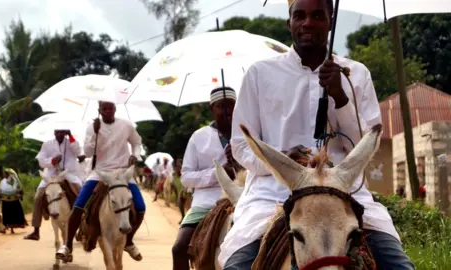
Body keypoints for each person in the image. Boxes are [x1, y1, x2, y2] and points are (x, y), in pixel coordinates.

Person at [218, 1, 415, 269]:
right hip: (272, 196)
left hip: (345, 196)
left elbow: (367, 143)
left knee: (399, 265)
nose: (307, 23)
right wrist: (282, 159)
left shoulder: (356, 74)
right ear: (289, 23)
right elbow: (241, 146)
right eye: (299, 15)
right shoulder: (259, 74)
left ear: (330, 21)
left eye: (317, 15)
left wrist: (340, 96)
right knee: (238, 265)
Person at [56, 101, 146, 262]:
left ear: (114, 109)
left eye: (110, 108)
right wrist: (95, 134)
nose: (107, 111)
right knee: (78, 205)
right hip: (100, 173)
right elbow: (89, 152)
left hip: (123, 173)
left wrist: (135, 155)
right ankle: (67, 245)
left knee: (140, 207)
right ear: (100, 111)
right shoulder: (92, 128)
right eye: (104, 109)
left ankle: (129, 241)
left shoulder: (126, 125)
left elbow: (137, 142)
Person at [172, 87, 238, 270]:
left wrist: (241, 164)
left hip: (242, 199)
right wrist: (219, 173)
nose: (227, 111)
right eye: (221, 106)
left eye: (231, 105)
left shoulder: (246, 134)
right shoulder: (198, 137)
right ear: (211, 108)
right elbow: (186, 177)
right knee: (178, 249)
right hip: (206, 202)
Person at [24, 129, 83, 241]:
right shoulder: (47, 144)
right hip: (50, 175)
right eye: (58, 132)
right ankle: (36, 230)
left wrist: (70, 136)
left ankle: (83, 226)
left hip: (68, 174)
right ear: (54, 132)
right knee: (38, 196)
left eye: (62, 132)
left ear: (65, 132)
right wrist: (52, 161)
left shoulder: (71, 142)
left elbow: (77, 151)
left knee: (81, 192)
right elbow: (41, 161)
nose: (60, 134)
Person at [0, 168, 27, 234]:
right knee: (7, 215)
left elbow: (20, 189)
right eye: (5, 173)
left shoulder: (15, 181)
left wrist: (20, 195)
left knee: (14, 214)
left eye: (7, 173)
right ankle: (8, 228)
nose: (6, 174)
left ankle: (12, 228)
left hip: (14, 200)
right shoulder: (3, 181)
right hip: (5, 201)